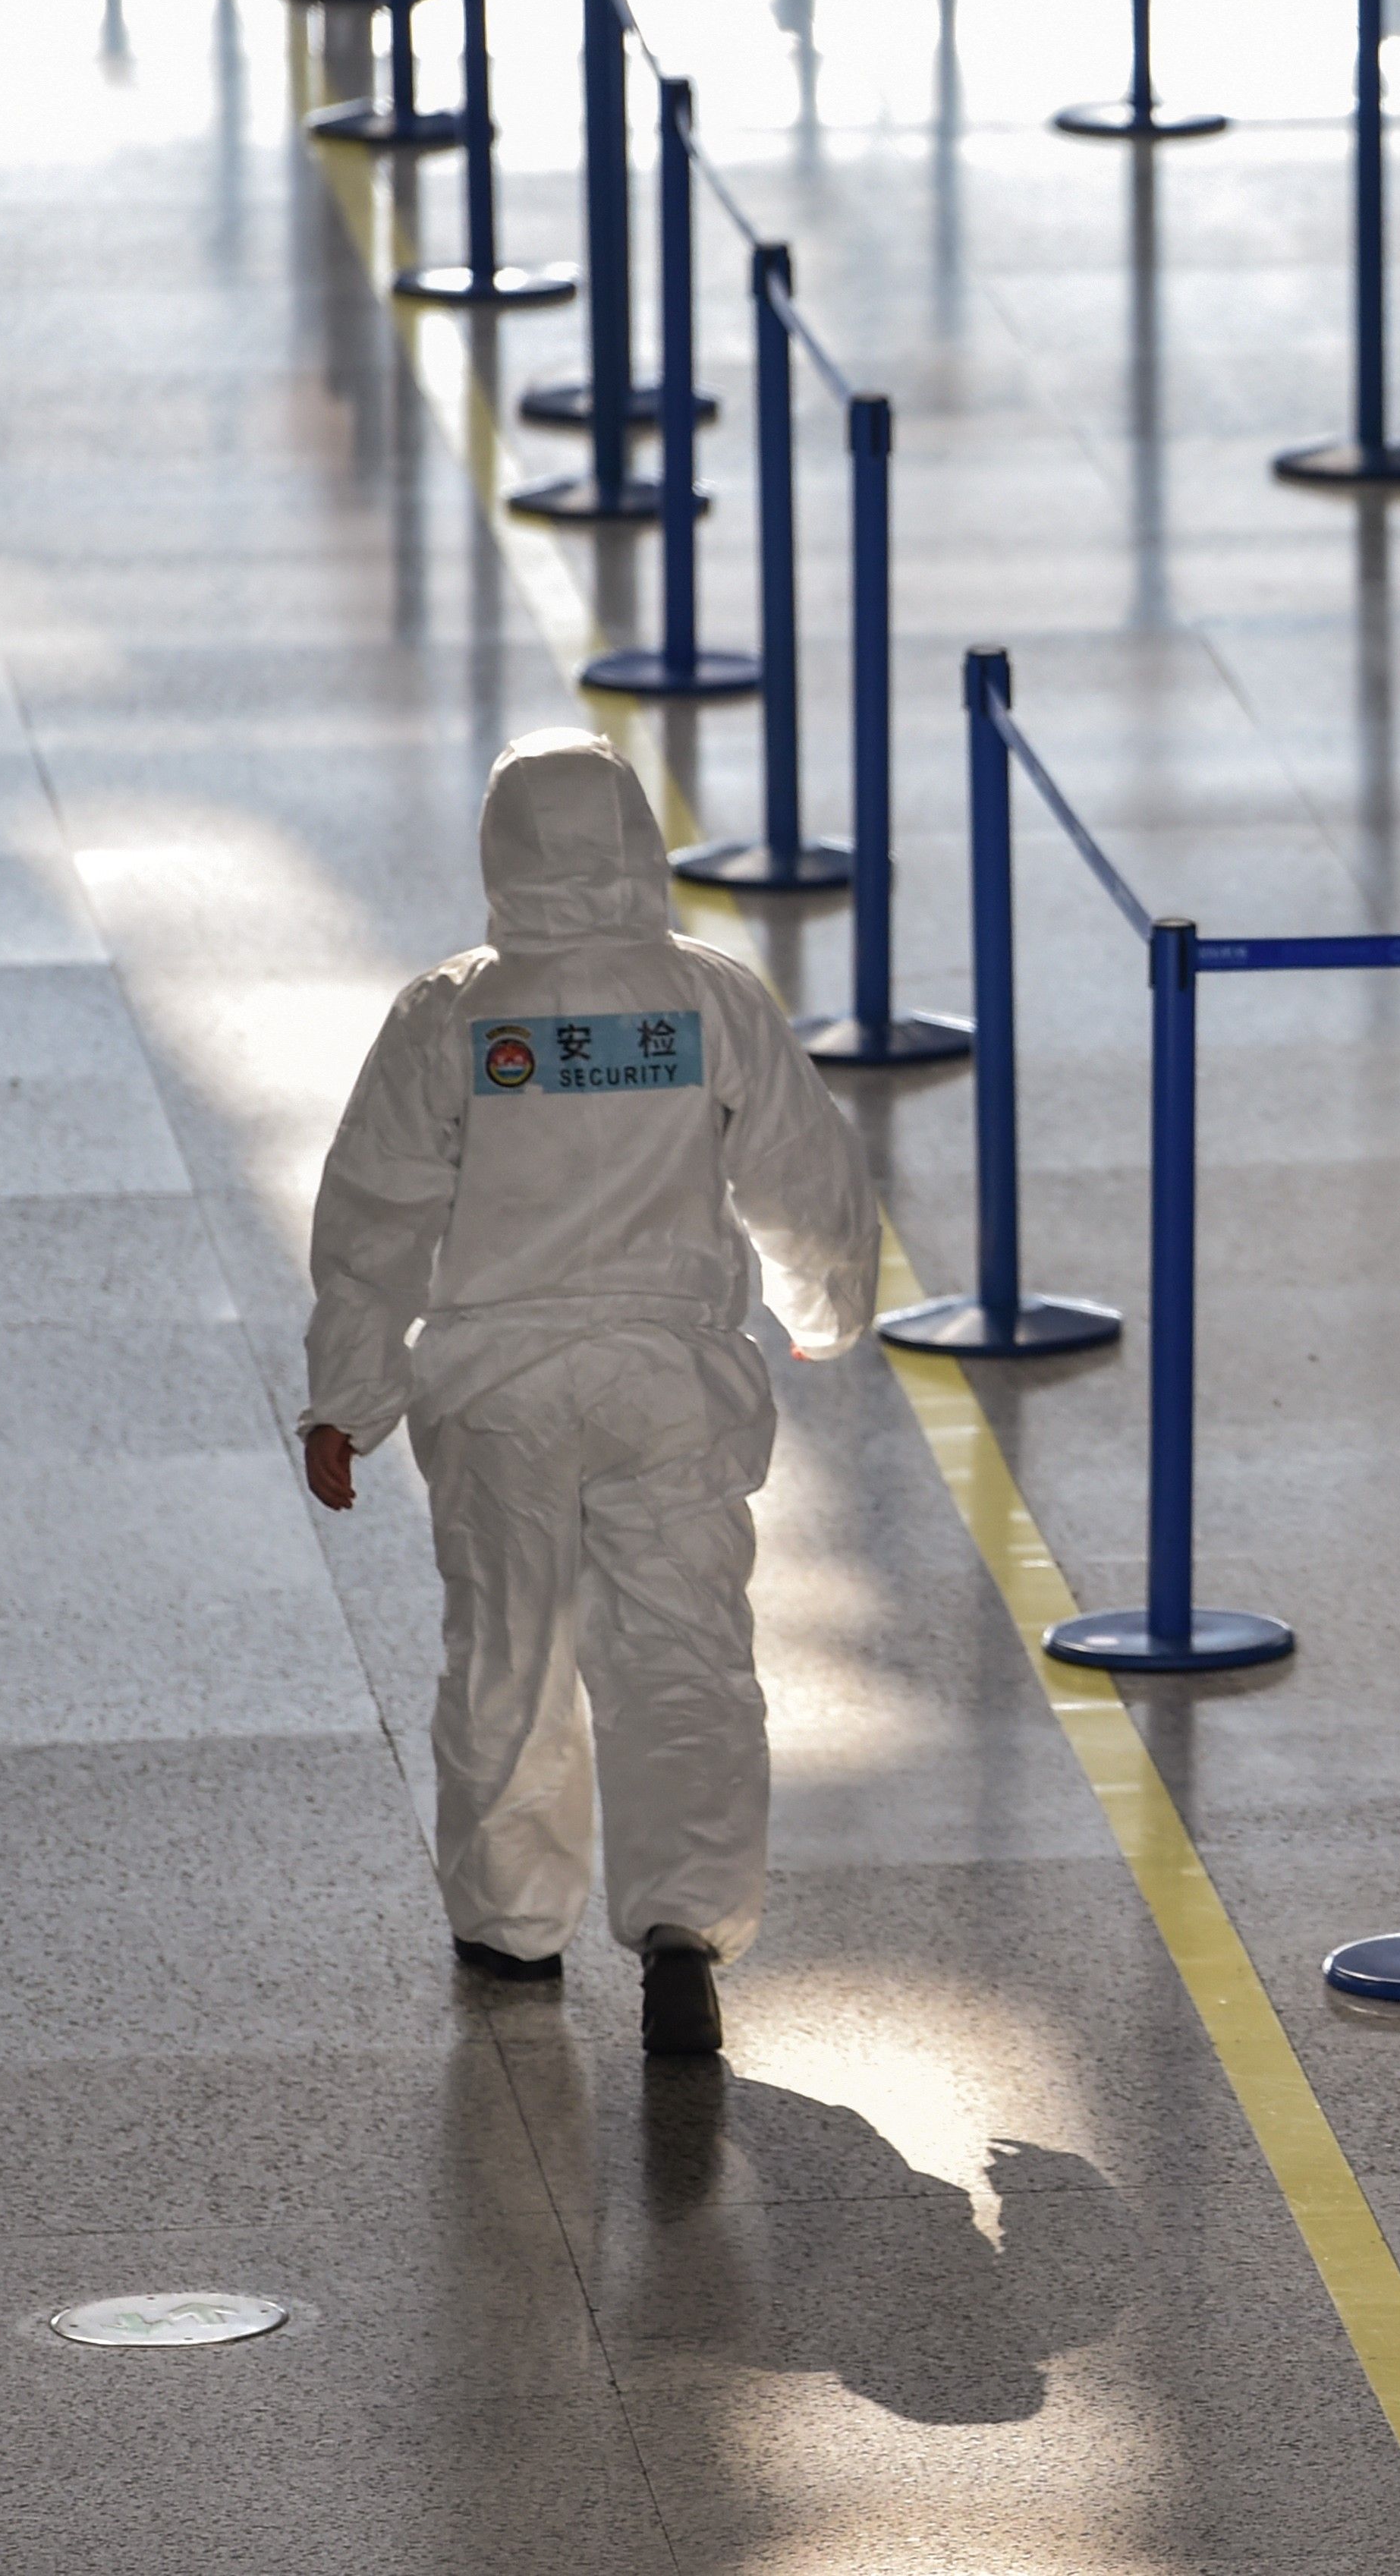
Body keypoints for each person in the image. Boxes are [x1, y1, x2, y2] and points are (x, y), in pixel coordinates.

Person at [297, 732, 878, 2057]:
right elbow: (807, 1172)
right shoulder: (709, 999)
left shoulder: (452, 1009)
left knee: (510, 1646)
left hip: (496, 1384)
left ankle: (511, 1925)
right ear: (638, 842)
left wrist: (348, 1396)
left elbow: (376, 1210)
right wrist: (825, 1311)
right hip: (670, 1376)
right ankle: (684, 1922)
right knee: (681, 1651)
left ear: (498, 851)